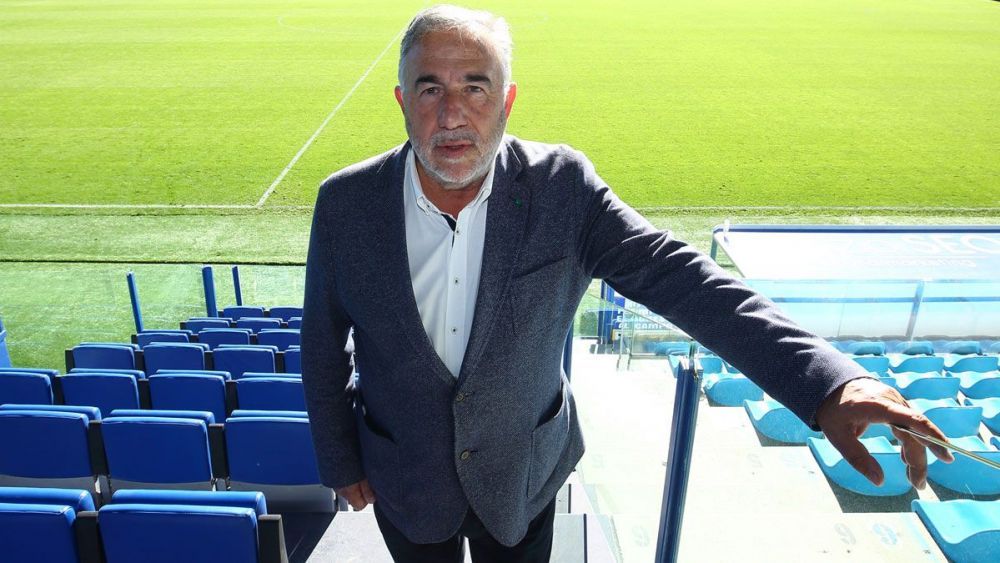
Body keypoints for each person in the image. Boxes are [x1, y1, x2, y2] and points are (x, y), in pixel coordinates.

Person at [301, 5, 953, 562]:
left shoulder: (564, 188)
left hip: (525, 479)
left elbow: (686, 281)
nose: (451, 114)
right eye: (429, 88)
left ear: (507, 99)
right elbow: (322, 349)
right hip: (403, 480)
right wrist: (340, 461)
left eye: (475, 87)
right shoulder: (344, 205)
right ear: (400, 99)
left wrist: (830, 379)